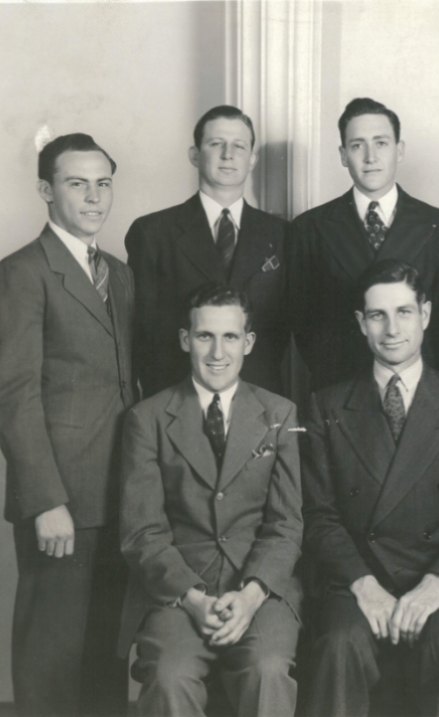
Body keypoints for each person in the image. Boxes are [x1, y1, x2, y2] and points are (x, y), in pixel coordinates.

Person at [301, 259, 439, 716]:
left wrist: (436, 584)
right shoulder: (327, 404)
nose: (391, 328)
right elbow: (319, 516)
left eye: (404, 312)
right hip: (359, 573)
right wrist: (363, 584)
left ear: (426, 315)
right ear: (360, 323)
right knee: (340, 644)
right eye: (377, 315)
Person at [0, 133, 135, 717]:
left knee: (105, 660)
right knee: (52, 660)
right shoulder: (21, 273)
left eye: (103, 184)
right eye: (77, 183)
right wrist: (46, 500)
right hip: (61, 500)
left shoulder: (117, 274)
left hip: (118, 494)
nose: (94, 197)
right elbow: (12, 398)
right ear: (46, 190)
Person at [118, 284, 303, 716]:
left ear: (249, 342)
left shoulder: (280, 414)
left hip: (259, 588)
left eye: (231, 337)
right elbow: (142, 532)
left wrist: (252, 594)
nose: (217, 352)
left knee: (269, 668)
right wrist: (193, 598)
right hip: (177, 591)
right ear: (186, 339)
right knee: (169, 675)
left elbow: (286, 524)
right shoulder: (147, 419)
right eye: (205, 336)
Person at [286, 98, 439, 391]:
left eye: (381, 143)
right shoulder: (309, 228)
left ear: (399, 150)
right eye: (357, 145)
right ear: (343, 155)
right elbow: (304, 325)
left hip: (421, 389)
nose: (370, 156)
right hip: (339, 388)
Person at [126, 105, 289, 398]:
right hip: (177, 397)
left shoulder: (281, 234)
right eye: (216, 144)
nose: (228, 154)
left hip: (259, 399)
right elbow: (143, 332)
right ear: (195, 154)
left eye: (239, 146)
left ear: (252, 159)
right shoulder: (153, 233)